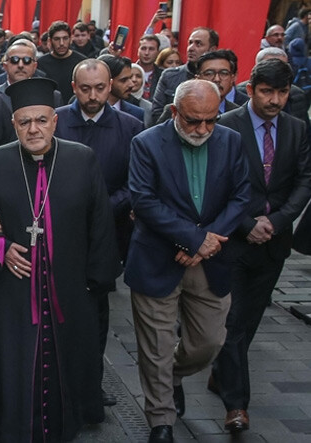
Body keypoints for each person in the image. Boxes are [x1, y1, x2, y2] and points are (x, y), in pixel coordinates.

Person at [0, 77, 120, 441]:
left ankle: (71, 418)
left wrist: (96, 281)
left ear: (55, 121)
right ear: (14, 124)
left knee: (71, 353)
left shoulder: (81, 158)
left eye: (41, 120)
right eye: (24, 122)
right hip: (15, 288)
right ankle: (17, 425)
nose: (33, 129)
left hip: (69, 281)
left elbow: (101, 222)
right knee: (17, 356)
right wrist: (2, 247)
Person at [126, 79, 251, 443]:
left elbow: (241, 196)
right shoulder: (146, 143)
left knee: (208, 342)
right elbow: (144, 201)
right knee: (156, 347)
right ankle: (160, 420)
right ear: (175, 112)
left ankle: (173, 377)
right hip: (157, 259)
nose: (202, 129)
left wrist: (204, 243)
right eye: (194, 120)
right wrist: (194, 239)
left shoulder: (230, 141)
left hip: (210, 262)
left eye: (211, 120)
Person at [212, 59, 311, 433]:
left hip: (274, 241)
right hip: (234, 240)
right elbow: (217, 183)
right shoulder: (226, 125)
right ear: (250, 89)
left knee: (250, 319)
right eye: (267, 92)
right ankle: (236, 405)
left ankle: (224, 370)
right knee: (233, 320)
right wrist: (247, 224)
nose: (275, 100)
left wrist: (279, 220)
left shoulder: (297, 128)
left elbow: (305, 179)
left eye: (282, 93)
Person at [54, 58, 142, 407]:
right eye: (85, 89)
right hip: (59, 231)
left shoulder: (131, 126)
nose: (93, 96)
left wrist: (104, 207)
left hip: (109, 234)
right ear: (74, 88)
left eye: (100, 88)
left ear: (111, 86)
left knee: (96, 313)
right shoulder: (55, 120)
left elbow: (136, 182)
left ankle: (92, 383)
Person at [152, 27, 218, 122]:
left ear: (212, 49)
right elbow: (157, 114)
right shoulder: (169, 76)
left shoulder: (217, 78)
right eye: (190, 43)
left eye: (198, 44)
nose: (191, 48)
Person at [37, 21, 87, 103]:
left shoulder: (82, 62)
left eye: (65, 38)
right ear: (50, 41)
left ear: (71, 39)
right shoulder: (41, 63)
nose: (61, 43)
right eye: (57, 39)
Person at [136, 35, 162, 101]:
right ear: (138, 50)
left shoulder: (162, 75)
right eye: (143, 48)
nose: (146, 53)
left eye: (151, 49)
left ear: (158, 52)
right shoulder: (128, 72)